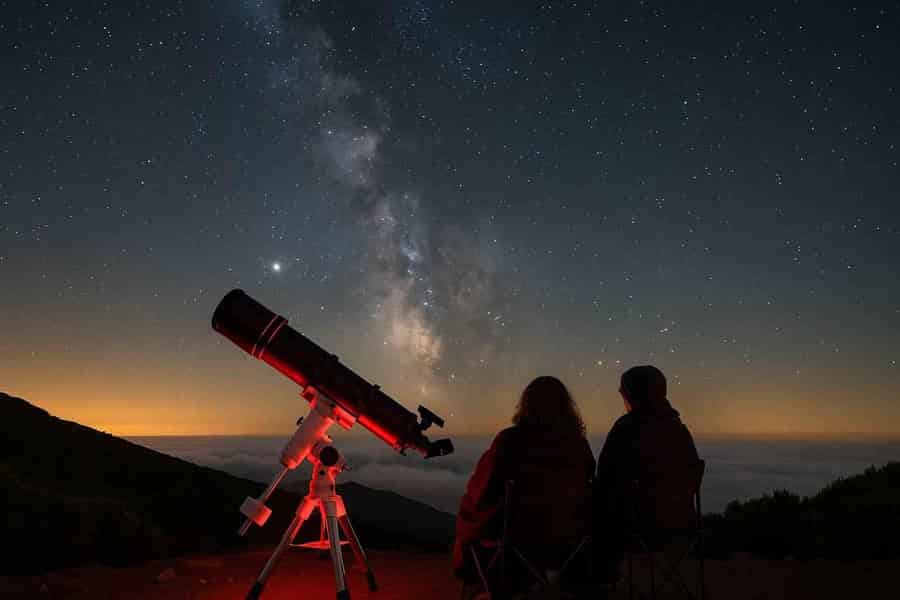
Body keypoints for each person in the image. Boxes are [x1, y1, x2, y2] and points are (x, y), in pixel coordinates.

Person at [454, 376, 595, 597]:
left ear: (526, 405)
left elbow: (482, 492)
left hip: (517, 546)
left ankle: (485, 583)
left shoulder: (510, 441)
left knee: (469, 526)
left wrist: (468, 519)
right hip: (567, 544)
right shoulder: (579, 446)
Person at [593, 365, 700, 583]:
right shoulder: (680, 431)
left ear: (631, 395)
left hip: (640, 529)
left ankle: (597, 576)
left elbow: (604, 478)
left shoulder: (626, 429)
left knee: (597, 512)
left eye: (623, 393)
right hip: (682, 526)